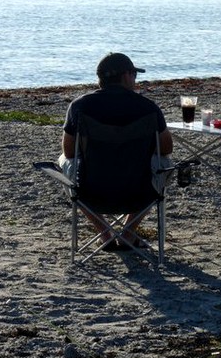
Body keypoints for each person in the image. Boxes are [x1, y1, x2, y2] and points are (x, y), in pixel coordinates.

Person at [58, 52, 173, 248]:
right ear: (126, 75)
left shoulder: (79, 106)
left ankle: (105, 232)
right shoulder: (148, 108)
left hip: (91, 190)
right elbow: (166, 148)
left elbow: (69, 152)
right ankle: (128, 232)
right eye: (135, 76)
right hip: (139, 190)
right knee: (166, 165)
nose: (135, 81)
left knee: (63, 163)